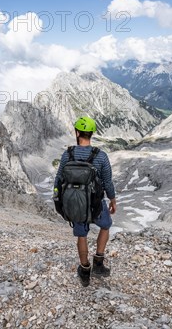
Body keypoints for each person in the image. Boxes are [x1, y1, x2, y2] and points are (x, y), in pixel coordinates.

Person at [53, 117, 117, 287]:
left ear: (77, 133)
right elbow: (107, 182)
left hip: (75, 203)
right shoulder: (101, 156)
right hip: (97, 204)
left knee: (82, 235)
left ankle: (85, 270)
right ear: (92, 134)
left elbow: (59, 179)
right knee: (105, 225)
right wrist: (112, 199)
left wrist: (58, 200)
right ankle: (98, 262)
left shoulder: (67, 154)